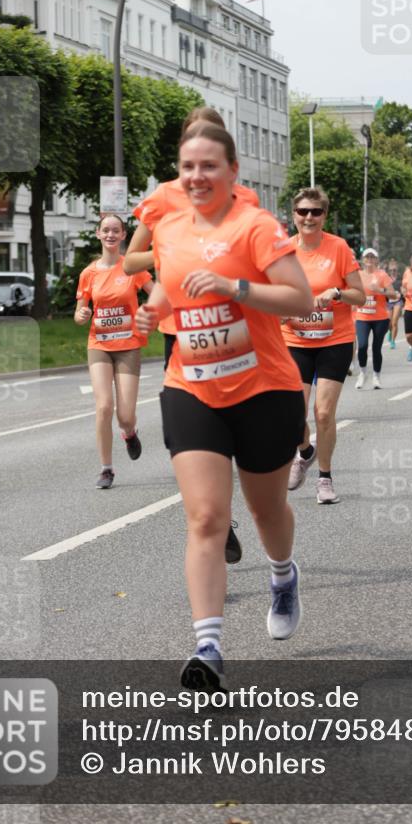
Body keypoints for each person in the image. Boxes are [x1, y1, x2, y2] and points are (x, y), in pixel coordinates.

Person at [135, 121, 312, 691]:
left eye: (209, 166)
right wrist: (152, 311)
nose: (196, 176)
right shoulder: (167, 229)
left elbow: (300, 298)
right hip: (192, 387)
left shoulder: (255, 227)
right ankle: (207, 647)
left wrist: (237, 289)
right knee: (207, 518)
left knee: (264, 512)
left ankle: (283, 576)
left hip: (264, 388)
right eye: (187, 167)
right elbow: (169, 288)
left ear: (233, 171)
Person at [125, 107, 258, 566]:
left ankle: (225, 515)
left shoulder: (243, 197)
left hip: (234, 326)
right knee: (187, 439)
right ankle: (216, 524)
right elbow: (129, 260)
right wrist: (169, 252)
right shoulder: (163, 197)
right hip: (180, 329)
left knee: (240, 431)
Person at [281, 187, 365, 503]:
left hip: (335, 340)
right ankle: (305, 451)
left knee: (324, 412)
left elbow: (361, 294)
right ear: (294, 216)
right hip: (295, 340)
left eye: (316, 212)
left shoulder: (339, 248)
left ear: (324, 215)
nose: (309, 217)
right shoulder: (283, 251)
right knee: (292, 414)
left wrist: (338, 293)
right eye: (303, 211)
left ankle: (325, 480)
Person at [74, 215, 153, 489]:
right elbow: (79, 312)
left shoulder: (131, 267)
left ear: (123, 236)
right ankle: (106, 469)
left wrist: (150, 310)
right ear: (98, 234)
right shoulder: (89, 273)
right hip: (99, 345)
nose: (110, 234)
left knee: (125, 416)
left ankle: (129, 433)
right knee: (104, 406)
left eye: (115, 230)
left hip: (128, 346)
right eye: (105, 230)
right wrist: (82, 314)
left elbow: (155, 294)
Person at [354, 248, 397, 390]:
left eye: (372, 257)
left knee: (376, 348)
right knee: (362, 345)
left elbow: (394, 295)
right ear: (363, 259)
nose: (370, 260)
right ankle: (362, 373)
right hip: (362, 316)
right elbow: (351, 292)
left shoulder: (382, 275)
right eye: (367, 257)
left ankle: (376, 376)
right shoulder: (358, 275)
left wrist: (379, 290)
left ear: (376, 260)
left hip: (380, 318)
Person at [386, 258, 403, 349]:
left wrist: (402, 293)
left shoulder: (401, 278)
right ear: (389, 270)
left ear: (397, 270)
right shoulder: (386, 278)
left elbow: (404, 288)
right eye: (391, 270)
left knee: (395, 322)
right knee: (389, 323)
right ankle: (389, 331)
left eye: (394, 270)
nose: (393, 271)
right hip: (388, 302)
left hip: (398, 301)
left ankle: (393, 341)